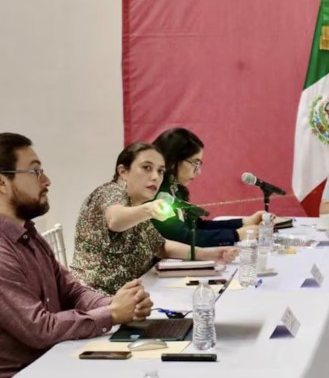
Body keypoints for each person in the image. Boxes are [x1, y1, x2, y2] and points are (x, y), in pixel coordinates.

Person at [0, 133, 154, 377]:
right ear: (2, 183)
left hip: (55, 359)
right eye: (35, 172)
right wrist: (112, 313)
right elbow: (40, 329)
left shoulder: (30, 235)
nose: (47, 180)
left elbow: (73, 292)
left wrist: (117, 304)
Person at [70, 142, 237, 295]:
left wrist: (208, 254)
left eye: (160, 171)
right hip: (96, 300)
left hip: (133, 295)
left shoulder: (138, 206)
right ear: (123, 172)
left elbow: (161, 246)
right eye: (147, 168)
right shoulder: (109, 192)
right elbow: (115, 219)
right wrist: (149, 209)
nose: (156, 177)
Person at [152, 127, 266, 246]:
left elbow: (197, 226)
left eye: (199, 164)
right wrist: (237, 235)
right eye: (195, 163)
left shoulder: (175, 189)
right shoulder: (160, 195)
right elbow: (183, 238)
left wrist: (245, 222)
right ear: (173, 160)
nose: (198, 172)